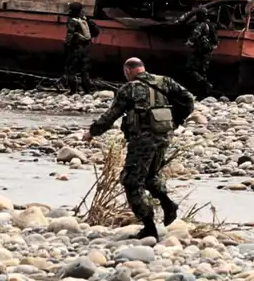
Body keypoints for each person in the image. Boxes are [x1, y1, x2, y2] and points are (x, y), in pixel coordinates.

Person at [83, 58, 195, 239]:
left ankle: (149, 226)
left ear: (128, 71)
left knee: (131, 181)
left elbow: (111, 115)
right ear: (142, 68)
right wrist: (175, 121)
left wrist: (92, 132)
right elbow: (188, 99)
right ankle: (168, 205)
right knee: (150, 177)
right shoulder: (164, 81)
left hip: (142, 141)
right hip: (164, 137)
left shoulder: (129, 89)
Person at [63, 1, 97, 94]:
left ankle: (73, 91)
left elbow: (70, 36)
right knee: (84, 70)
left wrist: (66, 46)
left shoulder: (72, 21)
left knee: (71, 70)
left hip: (75, 48)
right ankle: (87, 91)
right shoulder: (86, 19)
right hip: (86, 48)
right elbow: (96, 30)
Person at [185, 9, 218, 97]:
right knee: (203, 72)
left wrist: (189, 43)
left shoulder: (201, 25)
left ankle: (206, 85)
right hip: (208, 52)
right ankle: (203, 93)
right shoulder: (211, 25)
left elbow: (195, 36)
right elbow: (216, 41)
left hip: (199, 51)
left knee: (190, 69)